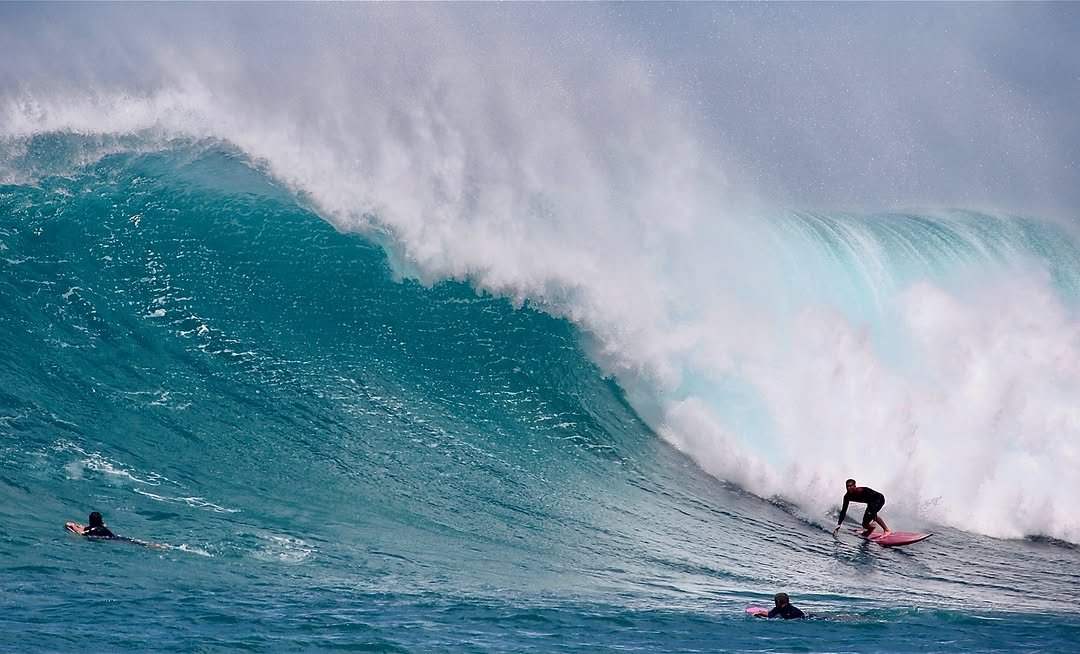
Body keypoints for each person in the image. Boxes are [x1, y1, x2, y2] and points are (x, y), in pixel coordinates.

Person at [68, 512, 166, 549]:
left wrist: (75, 528)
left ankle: (154, 546)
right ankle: (154, 545)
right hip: (116, 538)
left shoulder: (95, 529)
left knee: (138, 544)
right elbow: (85, 529)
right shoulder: (97, 527)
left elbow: (81, 533)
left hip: (115, 540)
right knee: (136, 542)